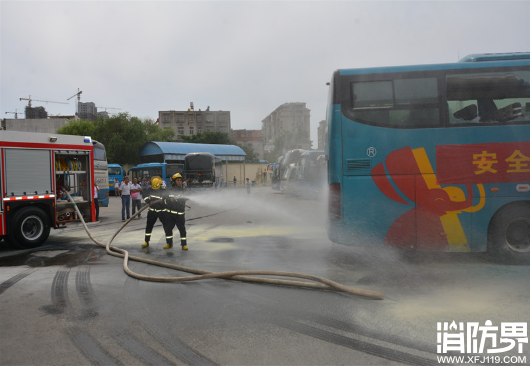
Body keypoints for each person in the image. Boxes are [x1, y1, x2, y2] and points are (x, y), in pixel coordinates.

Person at [160, 173, 188, 250]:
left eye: (180, 180)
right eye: (178, 180)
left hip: (180, 214)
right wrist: (169, 201)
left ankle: (184, 245)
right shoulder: (169, 191)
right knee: (168, 229)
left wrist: (178, 200)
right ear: (174, 181)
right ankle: (169, 243)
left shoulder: (183, 191)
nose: (179, 182)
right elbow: (164, 201)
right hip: (170, 214)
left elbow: (184, 200)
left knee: (182, 230)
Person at [142, 177, 165, 248]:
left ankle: (169, 243)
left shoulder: (164, 191)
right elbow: (144, 196)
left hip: (162, 211)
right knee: (149, 226)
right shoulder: (149, 190)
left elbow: (168, 200)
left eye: (157, 188)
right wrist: (149, 201)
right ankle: (146, 241)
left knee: (167, 227)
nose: (156, 189)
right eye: (154, 188)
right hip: (152, 211)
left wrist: (163, 202)